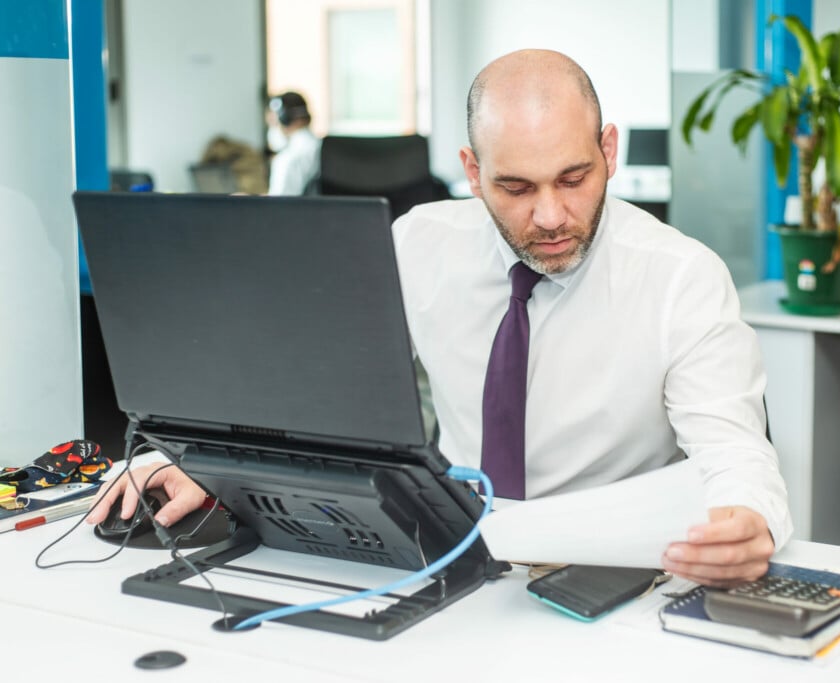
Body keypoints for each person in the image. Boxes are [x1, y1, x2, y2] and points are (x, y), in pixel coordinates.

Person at [87, 50, 791, 587]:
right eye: (515, 187)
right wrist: (209, 463)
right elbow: (313, 385)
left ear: (609, 151)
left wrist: (747, 520)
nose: (549, 216)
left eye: (574, 178)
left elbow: (736, 452)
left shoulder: (681, 277)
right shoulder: (422, 241)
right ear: (472, 168)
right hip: (453, 556)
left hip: (611, 573)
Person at [264, 91, 320, 196]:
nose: (272, 129)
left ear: (285, 119)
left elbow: (277, 207)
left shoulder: (286, 160)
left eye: (273, 123)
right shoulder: (321, 147)